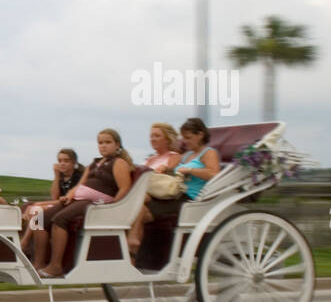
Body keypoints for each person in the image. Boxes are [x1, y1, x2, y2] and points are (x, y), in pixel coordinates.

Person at [34, 129, 134, 277]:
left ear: (117, 144)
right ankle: (38, 263)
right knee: (38, 220)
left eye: (108, 142)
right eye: (100, 143)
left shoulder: (119, 163)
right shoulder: (94, 163)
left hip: (96, 203)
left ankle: (56, 266)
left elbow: (124, 188)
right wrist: (69, 195)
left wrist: (113, 208)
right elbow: (80, 185)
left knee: (59, 220)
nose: (103, 146)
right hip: (78, 199)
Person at [127, 122, 183, 256]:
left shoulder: (174, 156)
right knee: (139, 208)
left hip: (160, 196)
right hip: (145, 195)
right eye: (151, 136)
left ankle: (133, 240)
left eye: (157, 136)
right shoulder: (150, 159)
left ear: (167, 139)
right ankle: (132, 255)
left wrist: (164, 168)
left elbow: (168, 174)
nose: (152, 139)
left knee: (138, 204)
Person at [21, 148, 81, 253]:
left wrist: (39, 203)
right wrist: (56, 176)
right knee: (30, 208)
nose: (62, 164)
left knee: (35, 210)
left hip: (69, 205)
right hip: (59, 204)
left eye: (66, 161)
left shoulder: (78, 177)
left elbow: (65, 200)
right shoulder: (62, 177)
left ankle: (25, 242)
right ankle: (28, 243)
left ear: (74, 163)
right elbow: (55, 196)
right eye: (60, 161)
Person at [173, 117, 220, 200]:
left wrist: (189, 170)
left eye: (188, 138)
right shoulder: (187, 155)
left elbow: (214, 174)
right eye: (183, 138)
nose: (184, 141)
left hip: (191, 198)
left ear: (200, 135)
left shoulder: (209, 153)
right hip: (177, 193)